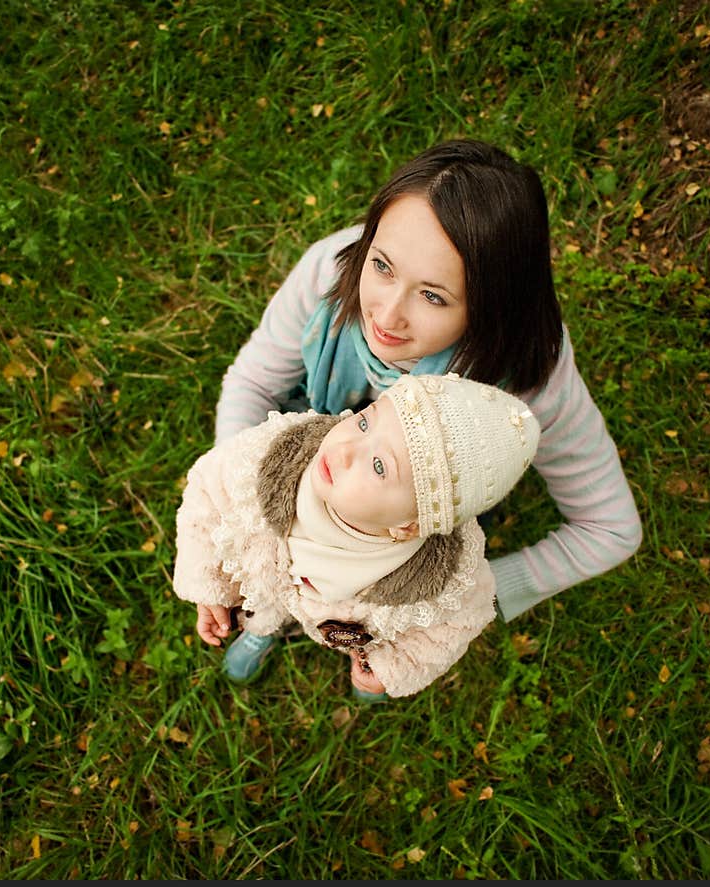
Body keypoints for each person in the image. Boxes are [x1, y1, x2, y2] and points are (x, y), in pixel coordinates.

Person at [214, 139, 642, 681]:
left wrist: (467, 601)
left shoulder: (528, 380)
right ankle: (265, 617)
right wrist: (242, 516)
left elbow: (610, 528)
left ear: (492, 306)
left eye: (434, 296)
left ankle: (366, 647)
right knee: (270, 561)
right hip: (310, 464)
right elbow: (252, 383)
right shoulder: (332, 270)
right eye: (383, 265)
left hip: (405, 529)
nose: (387, 315)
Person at [172, 373, 540, 701]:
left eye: (380, 466)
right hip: (267, 582)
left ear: (408, 526)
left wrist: (390, 666)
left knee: (373, 659)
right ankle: (260, 628)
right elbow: (207, 492)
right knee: (265, 601)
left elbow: (456, 625)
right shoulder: (271, 457)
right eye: (365, 423)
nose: (345, 448)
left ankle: (361, 668)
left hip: (341, 617)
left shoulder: (443, 580)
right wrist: (213, 585)